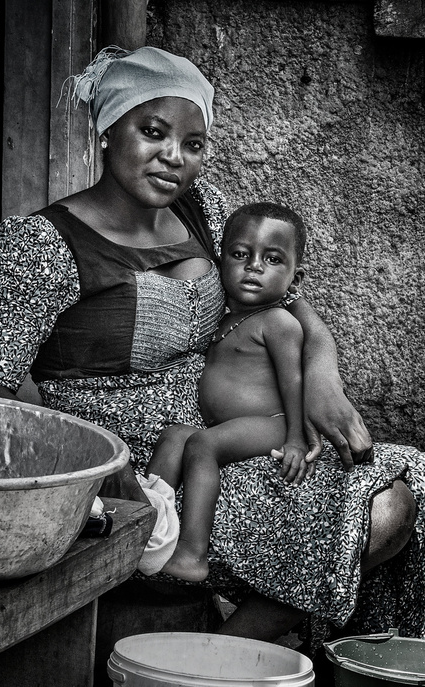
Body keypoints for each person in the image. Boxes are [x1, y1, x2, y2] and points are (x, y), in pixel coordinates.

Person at [0, 45, 425, 645]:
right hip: (150, 472)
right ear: (107, 130)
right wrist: (100, 484)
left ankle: (218, 661)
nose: (173, 158)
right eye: (153, 132)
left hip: (228, 441)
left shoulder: (203, 211)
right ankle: (211, 665)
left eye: (192, 143)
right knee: (378, 509)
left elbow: (284, 298)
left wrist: (322, 374)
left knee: (414, 480)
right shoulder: (40, 243)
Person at [147, 202, 312, 583]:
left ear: (295, 278)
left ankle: (191, 554)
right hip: (236, 425)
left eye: (272, 259)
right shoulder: (224, 316)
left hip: (272, 424)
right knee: (175, 436)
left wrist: (296, 439)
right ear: (221, 260)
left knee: (203, 444)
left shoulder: (279, 322)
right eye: (241, 254)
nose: (254, 266)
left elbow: (296, 382)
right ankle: (145, 529)